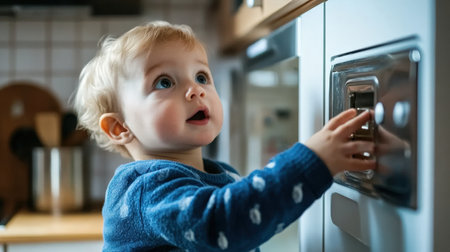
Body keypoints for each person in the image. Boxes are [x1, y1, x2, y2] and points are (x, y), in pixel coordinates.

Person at [73, 21, 375, 252]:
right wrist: (312, 161)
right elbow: (223, 223)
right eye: (164, 82)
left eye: (202, 76)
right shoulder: (146, 189)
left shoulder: (221, 175)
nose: (196, 90)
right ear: (120, 128)